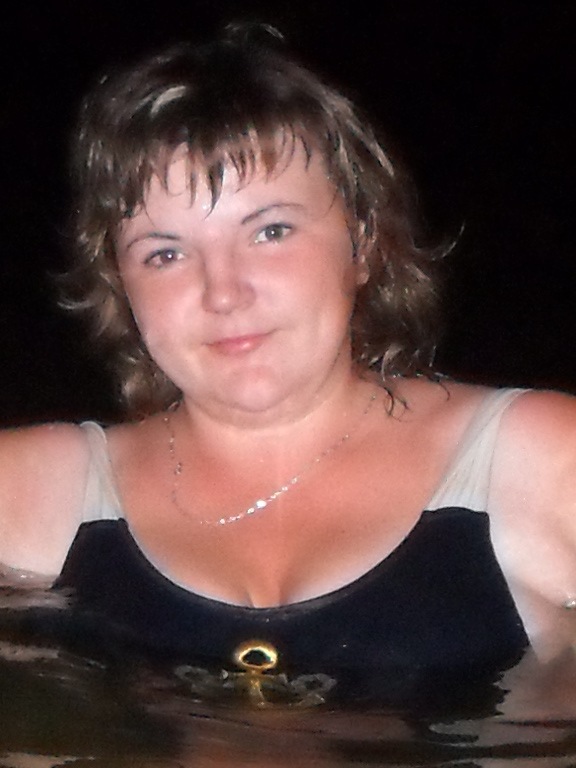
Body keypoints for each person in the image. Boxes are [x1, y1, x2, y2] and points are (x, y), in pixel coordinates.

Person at [0, 23, 575, 709]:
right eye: (165, 253)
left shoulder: (540, 461)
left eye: (270, 231)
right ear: (119, 283)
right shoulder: (31, 495)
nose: (223, 292)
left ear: (363, 243)